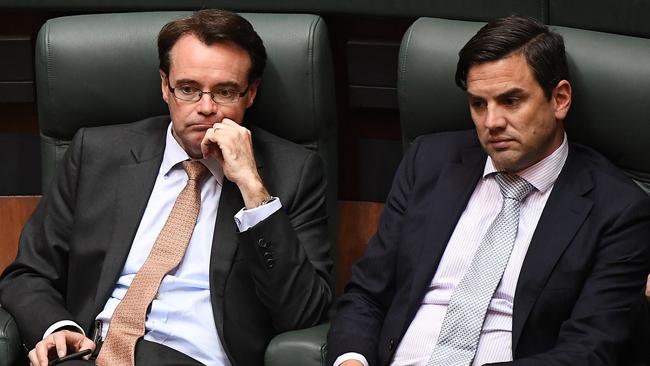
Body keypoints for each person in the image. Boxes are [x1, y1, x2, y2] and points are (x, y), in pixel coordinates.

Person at [0, 9, 332, 366]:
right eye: (188, 89)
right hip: (85, 355)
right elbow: (28, 273)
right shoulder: (96, 153)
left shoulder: (292, 173)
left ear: (250, 94)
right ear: (165, 86)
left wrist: (254, 190)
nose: (206, 109)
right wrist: (57, 328)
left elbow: (304, 313)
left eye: (225, 92)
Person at [327, 15, 650, 366]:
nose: (491, 122)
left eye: (511, 101)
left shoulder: (617, 209)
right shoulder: (428, 163)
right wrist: (351, 361)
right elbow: (366, 295)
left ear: (559, 99)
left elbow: (590, 351)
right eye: (478, 104)